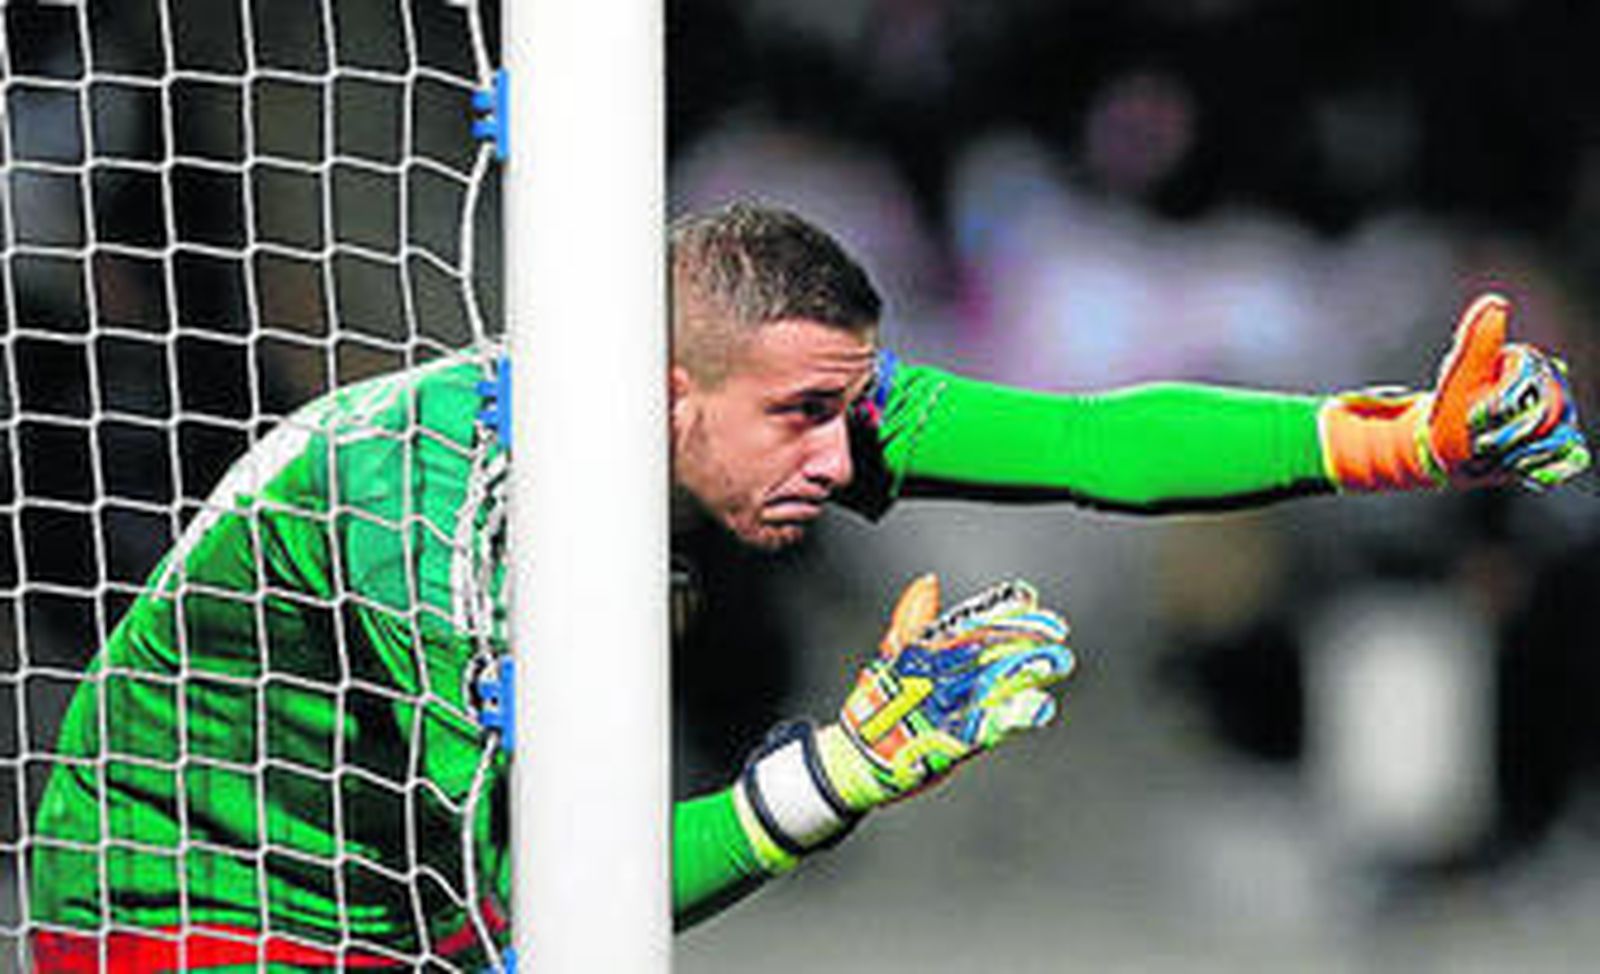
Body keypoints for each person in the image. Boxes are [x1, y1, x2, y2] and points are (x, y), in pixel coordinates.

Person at [27, 201, 1587, 969]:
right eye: (800, 417)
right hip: (179, 913)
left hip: (386, 901)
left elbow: (1089, 440)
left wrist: (1401, 438)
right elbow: (564, 914)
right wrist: (841, 769)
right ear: (661, 394)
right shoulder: (422, 521)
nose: (846, 459)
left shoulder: (758, 395)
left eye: (852, 407)